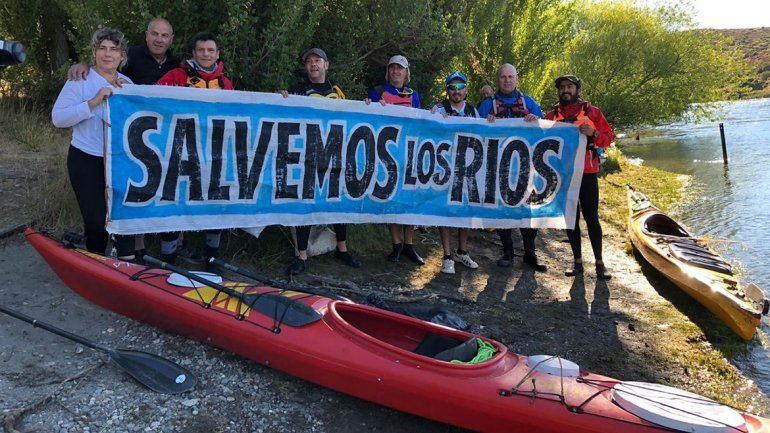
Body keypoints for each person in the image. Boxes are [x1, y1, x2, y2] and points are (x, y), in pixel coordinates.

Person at [52, 28, 135, 261]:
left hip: (119, 161)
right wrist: (94, 102)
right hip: (86, 158)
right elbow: (58, 118)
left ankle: (126, 265)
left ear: (122, 55)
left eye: (114, 49)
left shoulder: (128, 83)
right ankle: (95, 260)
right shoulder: (80, 80)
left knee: (122, 218)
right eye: (102, 48)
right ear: (94, 52)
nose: (108, 54)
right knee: (96, 221)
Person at [278, 48, 361, 275]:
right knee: (305, 203)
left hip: (334, 155)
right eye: (309, 62)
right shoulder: (297, 90)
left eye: (318, 61)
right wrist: (281, 99)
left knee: (337, 202)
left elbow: (352, 117)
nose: (313, 65)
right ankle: (301, 255)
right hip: (307, 156)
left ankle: (342, 249)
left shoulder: (337, 91)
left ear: (326, 65)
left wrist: (366, 107)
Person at [155, 32, 234, 268]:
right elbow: (150, 99)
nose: (206, 54)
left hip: (214, 154)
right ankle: (168, 259)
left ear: (217, 54)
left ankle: (211, 257)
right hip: (180, 152)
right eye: (201, 50)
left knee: (215, 203)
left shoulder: (225, 83)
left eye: (210, 50)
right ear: (194, 53)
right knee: (172, 202)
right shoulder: (177, 76)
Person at [477, 63, 547, 272]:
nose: (507, 80)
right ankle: (507, 252)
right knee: (502, 211)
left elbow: (546, 131)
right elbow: (474, 133)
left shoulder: (529, 103)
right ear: (498, 79)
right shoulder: (487, 105)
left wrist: (537, 120)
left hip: (525, 167)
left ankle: (530, 254)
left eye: (510, 77)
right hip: (498, 167)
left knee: (528, 212)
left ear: (517, 79)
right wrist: (485, 123)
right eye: (503, 77)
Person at [545, 75, 614, 279]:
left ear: (577, 89)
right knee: (571, 219)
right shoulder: (551, 116)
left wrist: (593, 133)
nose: (566, 90)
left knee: (592, 218)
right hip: (564, 175)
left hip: (587, 173)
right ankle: (577, 262)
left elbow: (608, 138)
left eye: (570, 86)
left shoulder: (593, 112)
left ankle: (600, 263)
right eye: (562, 87)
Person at [365, 55, 424, 265]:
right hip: (386, 153)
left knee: (409, 199)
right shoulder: (378, 92)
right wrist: (369, 106)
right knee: (390, 198)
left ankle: (409, 245)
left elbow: (420, 122)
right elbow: (368, 118)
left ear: (406, 73)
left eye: (400, 69)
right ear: (388, 72)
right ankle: (396, 244)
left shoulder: (413, 95)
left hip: (409, 153)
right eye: (392, 68)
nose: (396, 72)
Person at [430, 72, 480, 274]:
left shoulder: (473, 110)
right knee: (444, 211)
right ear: (447, 90)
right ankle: (447, 255)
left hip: (467, 167)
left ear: (467, 90)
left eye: (460, 87)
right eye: (452, 87)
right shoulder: (437, 109)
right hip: (444, 166)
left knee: (464, 211)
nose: (456, 91)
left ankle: (462, 251)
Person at [68, 18, 179, 85]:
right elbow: (105, 64)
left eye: (164, 35)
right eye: (154, 34)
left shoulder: (177, 64)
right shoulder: (130, 54)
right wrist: (84, 65)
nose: (159, 40)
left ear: (171, 40)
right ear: (146, 35)